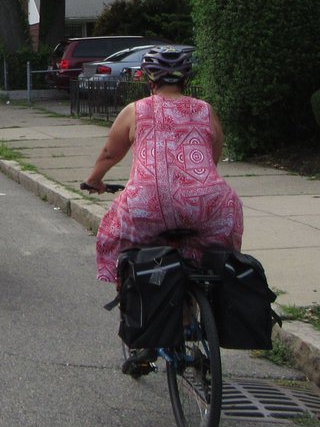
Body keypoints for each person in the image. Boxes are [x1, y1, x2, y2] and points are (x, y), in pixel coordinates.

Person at [84, 45, 244, 286]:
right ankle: (211, 301)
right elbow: (212, 157)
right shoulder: (205, 110)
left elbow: (109, 154)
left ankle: (130, 294)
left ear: (150, 79)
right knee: (216, 262)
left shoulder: (135, 111)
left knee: (117, 237)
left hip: (147, 207)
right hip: (208, 205)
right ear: (186, 79)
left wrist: (94, 180)